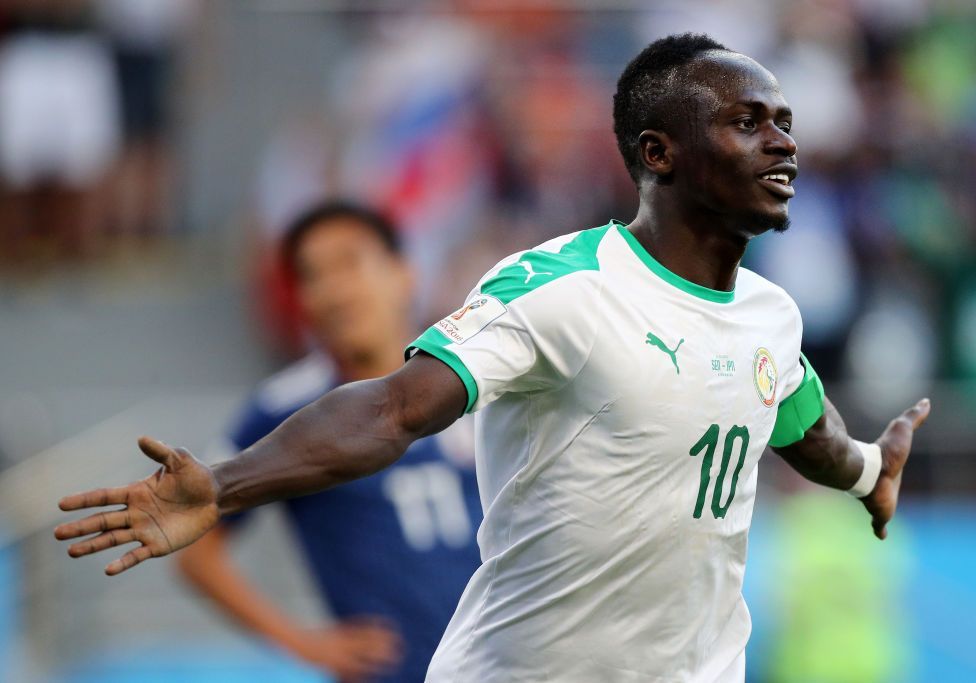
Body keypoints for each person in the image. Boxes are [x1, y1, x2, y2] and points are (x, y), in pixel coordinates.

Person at [55, 34, 931, 683]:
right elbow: (395, 407)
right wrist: (230, 484)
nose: (783, 141)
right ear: (657, 153)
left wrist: (866, 473)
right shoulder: (561, 286)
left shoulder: (772, 318)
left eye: (784, 122)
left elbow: (803, 424)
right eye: (749, 123)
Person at [179, 201, 482, 682]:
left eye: (350, 263)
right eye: (312, 276)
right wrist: (302, 642)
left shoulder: (476, 373)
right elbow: (197, 550)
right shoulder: (286, 409)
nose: (333, 290)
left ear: (404, 274)